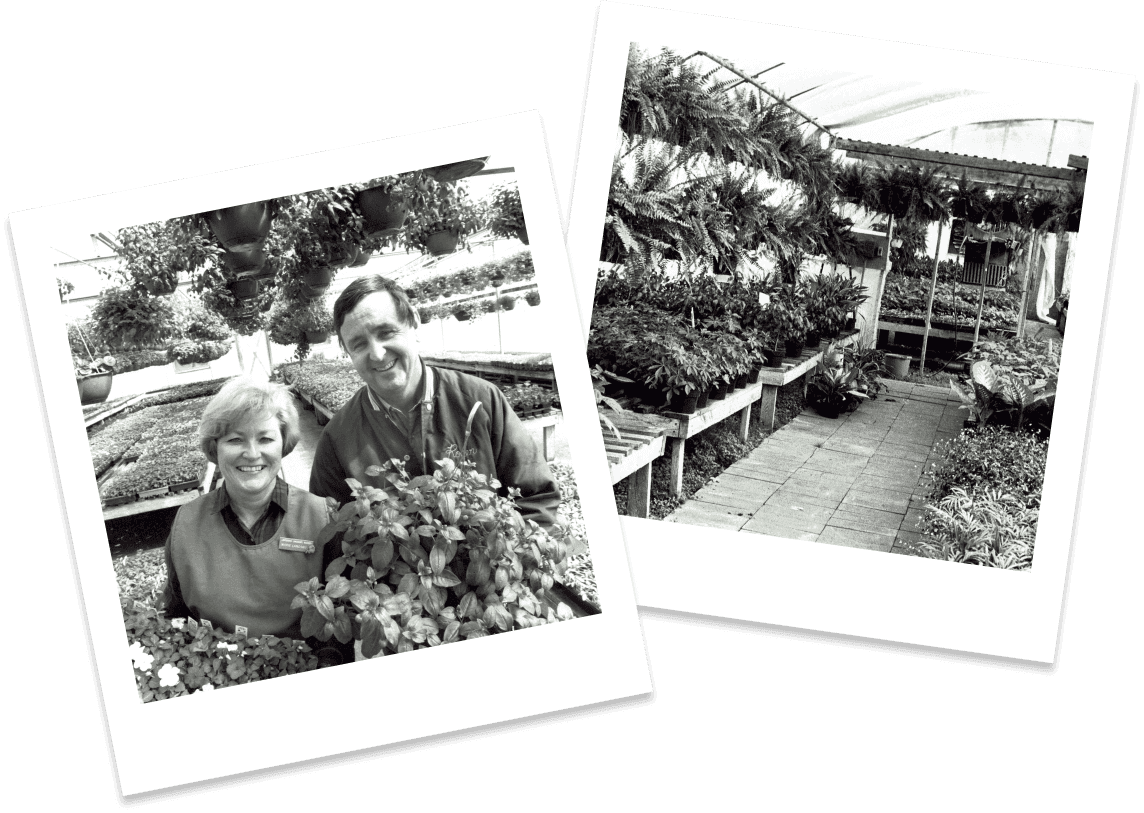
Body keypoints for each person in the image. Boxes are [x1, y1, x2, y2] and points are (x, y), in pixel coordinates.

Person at [308, 274, 561, 527]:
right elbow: (330, 531)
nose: (377, 353)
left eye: (386, 332)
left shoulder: (480, 401)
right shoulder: (337, 439)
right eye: (359, 344)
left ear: (414, 322)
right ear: (347, 352)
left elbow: (536, 498)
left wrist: (517, 556)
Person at [162, 377, 346, 662]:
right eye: (235, 439)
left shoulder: (321, 517)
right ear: (215, 448)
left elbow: (337, 629)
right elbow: (177, 615)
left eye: (265, 438)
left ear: (284, 443)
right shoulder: (186, 523)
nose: (252, 453)